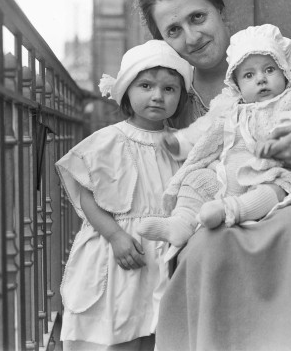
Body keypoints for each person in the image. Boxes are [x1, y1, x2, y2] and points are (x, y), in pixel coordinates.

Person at [136, 0, 291, 351]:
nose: (191, 36)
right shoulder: (166, 93)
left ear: (219, 8)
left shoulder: (274, 64)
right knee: (207, 246)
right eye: (174, 30)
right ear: (161, 39)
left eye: (198, 17)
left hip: (289, 187)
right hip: (210, 208)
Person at [137, 24, 291, 247]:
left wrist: (279, 137)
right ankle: (181, 223)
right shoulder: (229, 107)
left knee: (275, 189)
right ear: (237, 84)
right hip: (225, 177)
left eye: (269, 70)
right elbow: (204, 131)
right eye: (249, 75)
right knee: (196, 179)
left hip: (271, 172)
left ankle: (232, 210)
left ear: (285, 72)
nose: (261, 79)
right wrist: (179, 142)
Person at [55, 40, 192, 351]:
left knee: (156, 328)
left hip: (162, 251)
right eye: (146, 85)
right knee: (115, 330)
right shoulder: (109, 140)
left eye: (169, 89)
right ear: (127, 89)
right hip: (118, 250)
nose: (157, 95)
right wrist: (114, 234)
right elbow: (88, 194)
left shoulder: (180, 145)